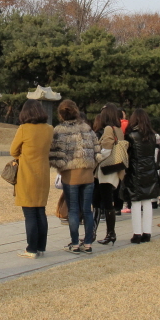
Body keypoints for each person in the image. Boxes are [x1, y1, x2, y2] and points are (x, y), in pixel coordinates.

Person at [50, 99, 100, 254]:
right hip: (88, 174)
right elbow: (97, 149)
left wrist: (60, 166)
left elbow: (53, 153)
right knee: (87, 210)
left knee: (73, 209)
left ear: (61, 114)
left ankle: (75, 242)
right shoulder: (86, 128)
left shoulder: (59, 130)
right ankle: (88, 243)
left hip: (70, 175)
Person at [10, 100, 53, 259]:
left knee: (29, 213)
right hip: (43, 174)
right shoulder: (49, 129)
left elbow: (13, 150)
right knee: (40, 211)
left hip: (27, 174)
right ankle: (41, 247)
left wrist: (23, 156)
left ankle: (31, 249)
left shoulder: (23, 129)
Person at [120, 108, 158, 243]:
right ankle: (147, 232)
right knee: (147, 201)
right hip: (150, 170)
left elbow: (127, 154)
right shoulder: (152, 135)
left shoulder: (131, 135)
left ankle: (137, 233)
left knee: (135, 202)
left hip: (135, 171)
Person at [95, 103, 125, 245]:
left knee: (104, 201)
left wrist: (96, 157)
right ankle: (110, 233)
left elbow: (106, 151)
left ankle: (110, 233)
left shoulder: (108, 129)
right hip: (115, 168)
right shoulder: (118, 129)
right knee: (108, 201)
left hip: (106, 168)